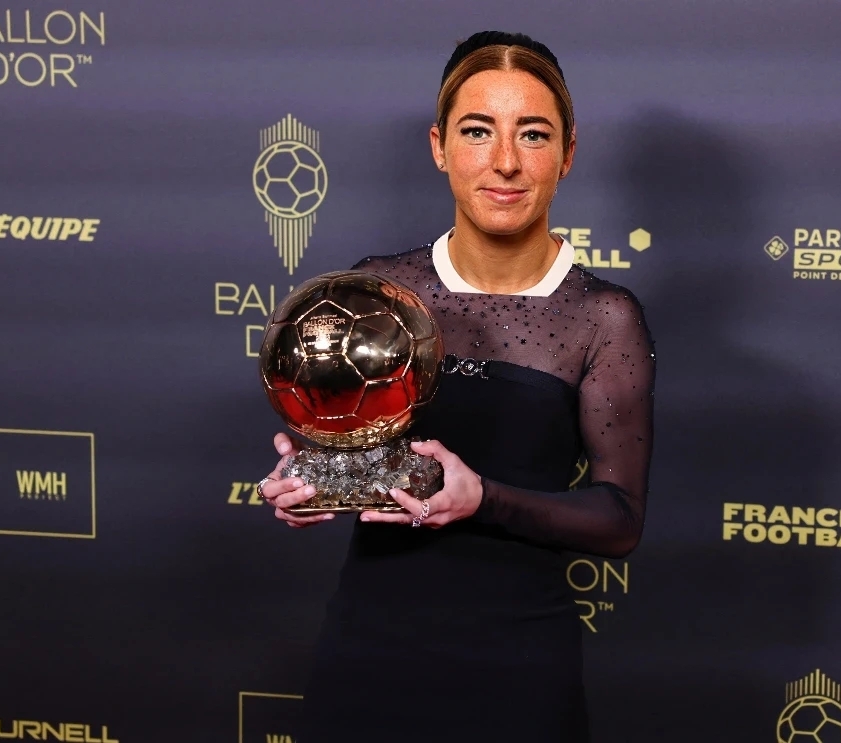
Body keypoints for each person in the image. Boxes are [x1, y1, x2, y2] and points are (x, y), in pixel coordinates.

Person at [257, 31, 656, 743]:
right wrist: (312, 475)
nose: (505, 161)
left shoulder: (602, 317)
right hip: (368, 654)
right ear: (440, 146)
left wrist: (484, 498)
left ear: (566, 154)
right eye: (477, 131)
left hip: (519, 667)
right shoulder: (377, 288)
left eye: (532, 134)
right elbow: (360, 455)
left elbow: (618, 519)